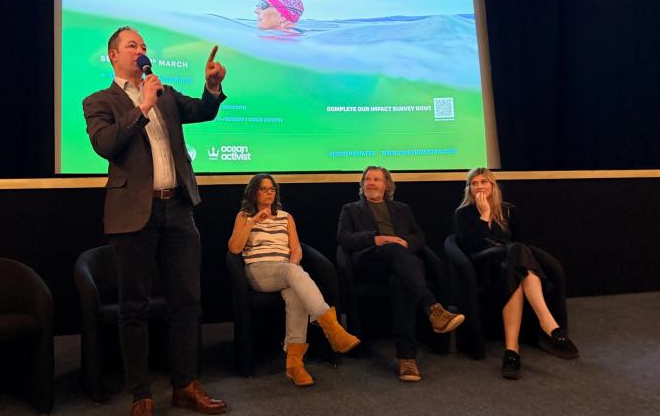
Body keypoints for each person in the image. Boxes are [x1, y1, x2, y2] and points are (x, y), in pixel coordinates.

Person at [83, 26, 228, 416]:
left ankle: (185, 385)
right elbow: (107, 144)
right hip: (133, 215)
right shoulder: (99, 101)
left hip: (179, 208)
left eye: (144, 46)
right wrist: (141, 106)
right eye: (133, 45)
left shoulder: (163, 94)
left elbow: (203, 111)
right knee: (134, 308)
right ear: (112, 55)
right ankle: (142, 397)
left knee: (188, 302)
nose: (142, 51)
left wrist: (212, 87)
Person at [227, 174, 360, 386]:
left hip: (285, 271)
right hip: (259, 272)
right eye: (264, 189)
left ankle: (294, 365)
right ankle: (332, 328)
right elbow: (234, 248)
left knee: (296, 296)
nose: (269, 193)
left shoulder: (286, 217)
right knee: (293, 274)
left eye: (272, 189)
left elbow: (296, 248)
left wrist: (293, 264)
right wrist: (253, 222)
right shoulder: (244, 216)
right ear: (254, 192)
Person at [337, 166, 464, 382]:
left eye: (376, 179)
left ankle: (407, 359)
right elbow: (344, 238)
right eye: (367, 179)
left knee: (401, 280)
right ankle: (432, 308)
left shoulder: (402, 208)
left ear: (387, 185)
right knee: (398, 255)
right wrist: (376, 239)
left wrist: (405, 242)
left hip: (403, 266)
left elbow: (418, 236)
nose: (371, 183)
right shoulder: (351, 209)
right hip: (371, 263)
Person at [454, 167, 579, 380]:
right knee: (516, 251)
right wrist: (484, 217)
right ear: (469, 189)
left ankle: (511, 352)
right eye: (474, 183)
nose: (479, 187)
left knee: (517, 268)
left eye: (483, 182)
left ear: (492, 186)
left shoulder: (508, 210)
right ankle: (548, 323)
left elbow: (522, 241)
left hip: (509, 268)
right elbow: (470, 246)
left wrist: (506, 242)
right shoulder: (463, 214)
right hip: (483, 266)